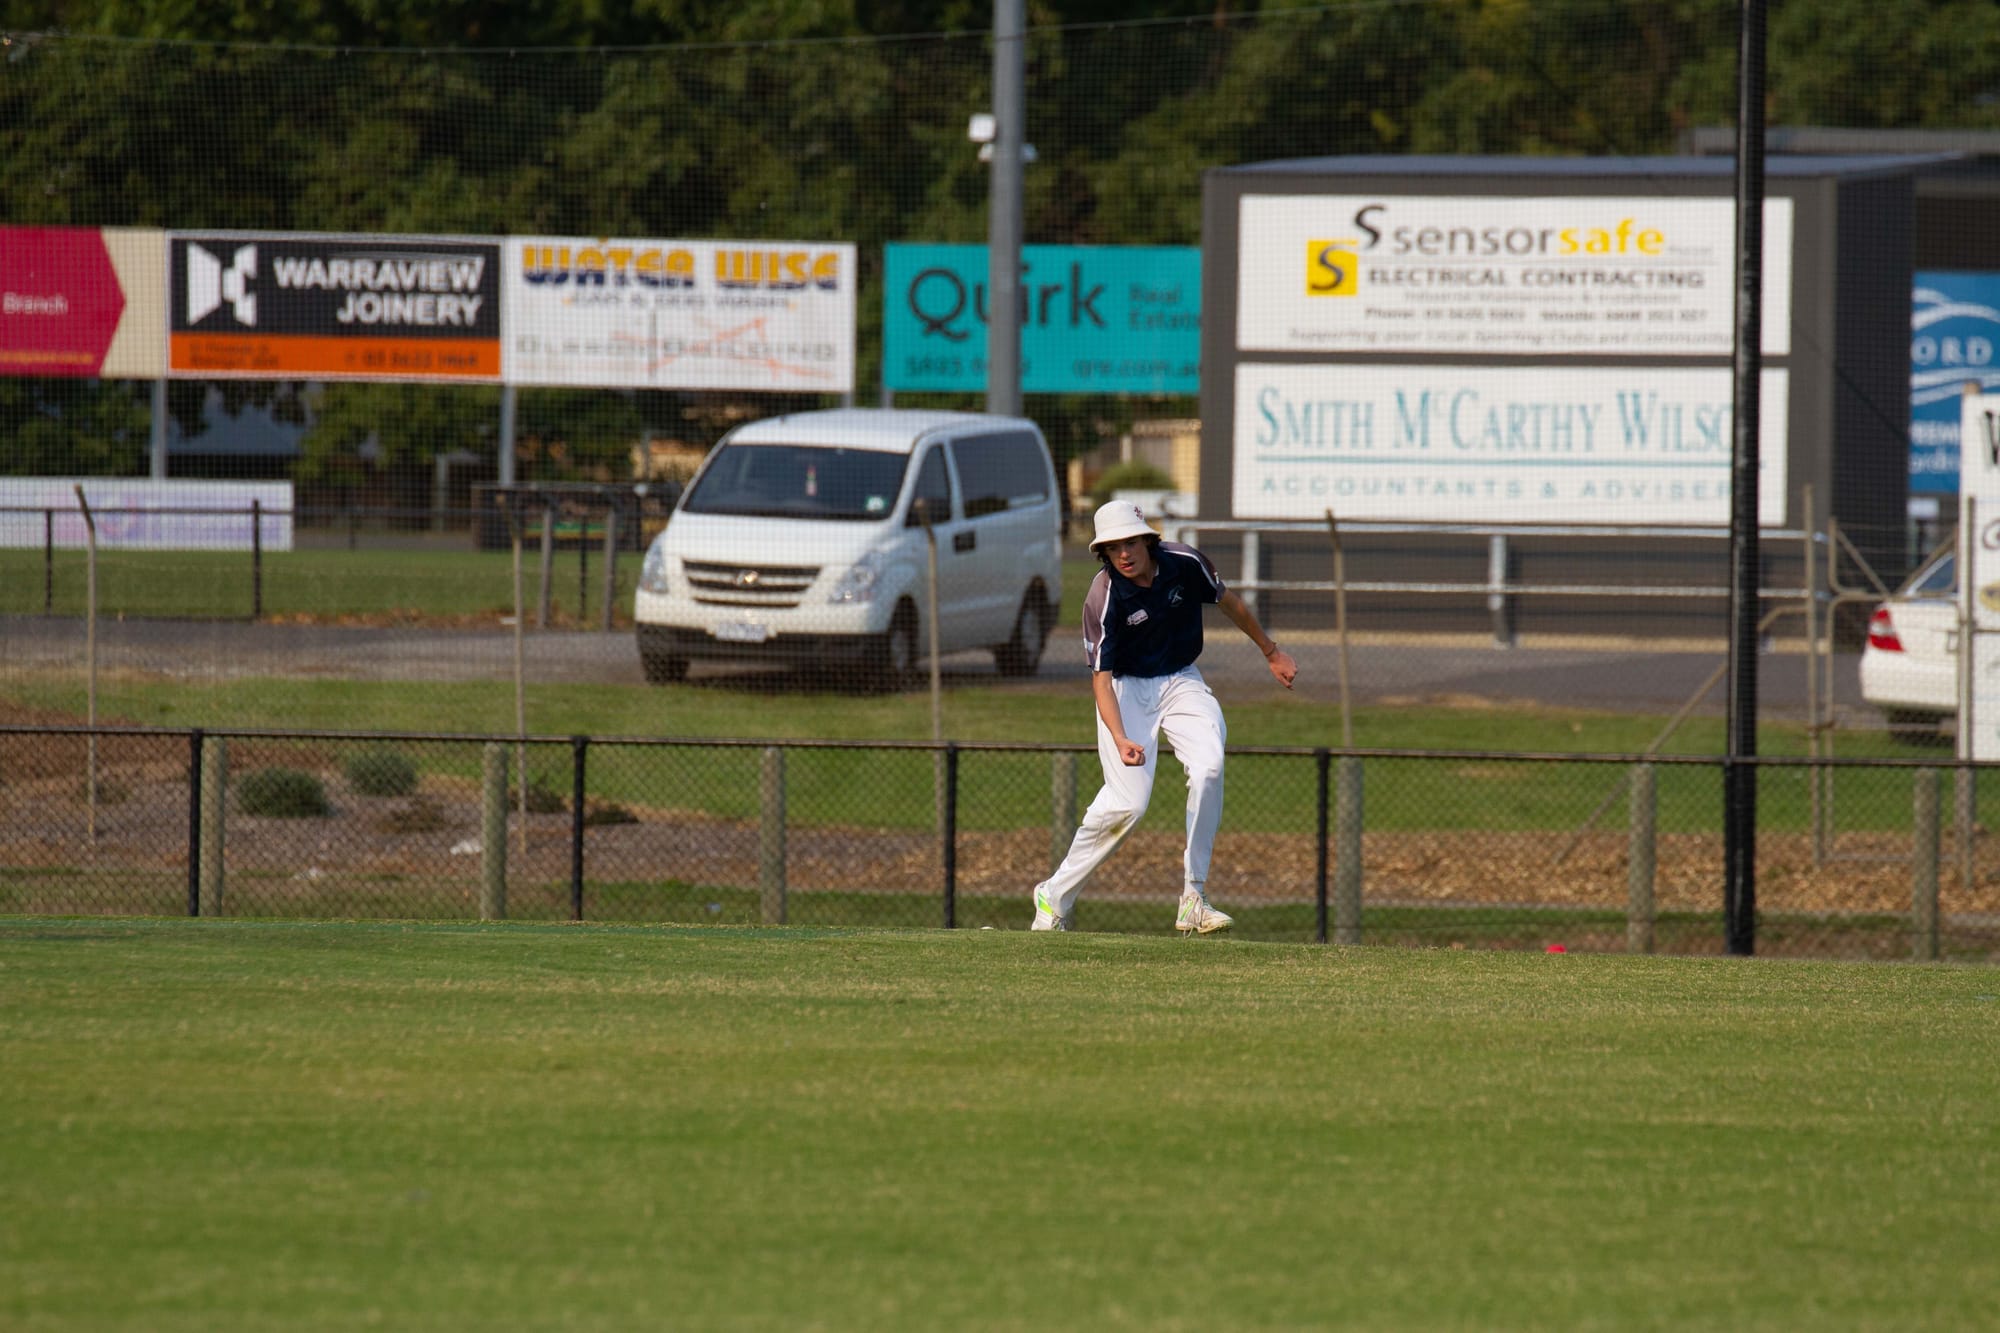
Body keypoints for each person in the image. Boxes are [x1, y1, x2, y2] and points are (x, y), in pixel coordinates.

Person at [1032, 500, 1298, 935]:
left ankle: (1193, 897)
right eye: (1113, 547)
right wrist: (1120, 738)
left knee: (1210, 766)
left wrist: (1271, 651)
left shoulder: (1185, 562)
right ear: (1103, 553)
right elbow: (1100, 681)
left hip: (1181, 680)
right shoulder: (1103, 596)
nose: (1124, 553)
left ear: (1147, 540)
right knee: (1128, 805)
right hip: (1125, 691)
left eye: (1131, 541)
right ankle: (1054, 894)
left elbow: (1229, 602)